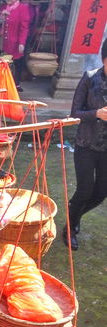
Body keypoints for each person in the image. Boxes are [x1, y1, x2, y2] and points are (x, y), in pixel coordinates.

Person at [64, 39, 107, 251]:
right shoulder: (90, 78)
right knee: (84, 190)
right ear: (104, 59)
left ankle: (75, 215)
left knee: (101, 192)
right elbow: (75, 113)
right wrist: (96, 113)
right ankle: (70, 228)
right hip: (86, 144)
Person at [0, 0, 30, 91]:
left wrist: (21, 43)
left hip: (15, 42)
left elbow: (24, 28)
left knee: (16, 64)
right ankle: (2, 84)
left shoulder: (23, 8)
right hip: (2, 41)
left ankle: (15, 84)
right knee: (3, 63)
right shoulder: (3, 7)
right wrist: (1, 17)